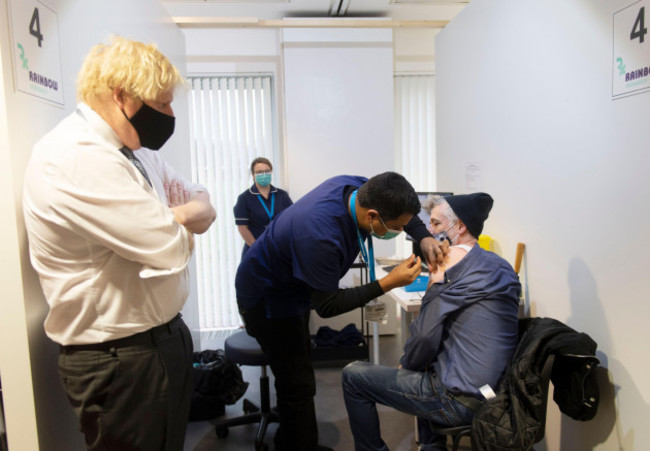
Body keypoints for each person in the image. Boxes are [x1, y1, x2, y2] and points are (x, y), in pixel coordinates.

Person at [22, 36, 216, 451]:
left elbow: (200, 198)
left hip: (160, 343)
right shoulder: (75, 156)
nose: (169, 115)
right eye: (162, 104)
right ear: (121, 94)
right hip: (121, 360)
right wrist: (178, 219)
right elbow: (168, 245)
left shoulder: (136, 152)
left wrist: (174, 215)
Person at [235, 172, 449, 451]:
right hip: (267, 298)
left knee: (299, 372)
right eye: (396, 226)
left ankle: (291, 439)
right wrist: (387, 282)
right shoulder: (319, 234)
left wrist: (422, 237)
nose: (400, 230)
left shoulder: (359, 187)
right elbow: (327, 305)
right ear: (373, 216)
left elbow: (406, 217)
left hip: (292, 290)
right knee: (297, 384)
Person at [342, 193, 521, 451]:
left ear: (459, 226)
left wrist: (406, 366)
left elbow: (424, 337)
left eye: (436, 224)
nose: (428, 231)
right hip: (498, 395)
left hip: (460, 401)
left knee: (353, 376)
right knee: (426, 364)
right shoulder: (501, 265)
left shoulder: (445, 262)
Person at [233, 157, 293, 258]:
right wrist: (257, 248)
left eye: (267, 171)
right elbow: (242, 228)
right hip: (256, 250)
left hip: (280, 249)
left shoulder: (282, 195)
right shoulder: (244, 198)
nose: (264, 175)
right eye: (260, 172)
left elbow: (291, 220)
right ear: (253, 175)